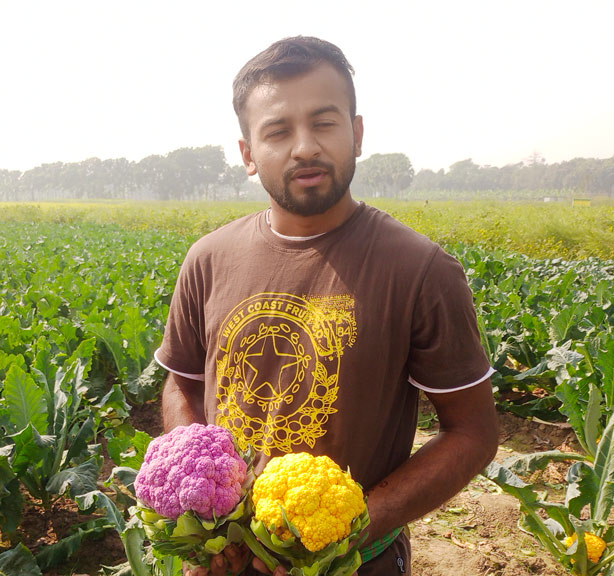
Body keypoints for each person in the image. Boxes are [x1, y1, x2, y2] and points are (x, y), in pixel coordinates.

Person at [156, 36, 499, 576]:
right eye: (277, 130)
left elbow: (474, 432)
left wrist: (343, 527)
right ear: (248, 153)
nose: (305, 147)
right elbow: (183, 383)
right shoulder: (208, 259)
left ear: (357, 134)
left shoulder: (419, 270)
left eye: (324, 122)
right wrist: (203, 502)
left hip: (356, 562)